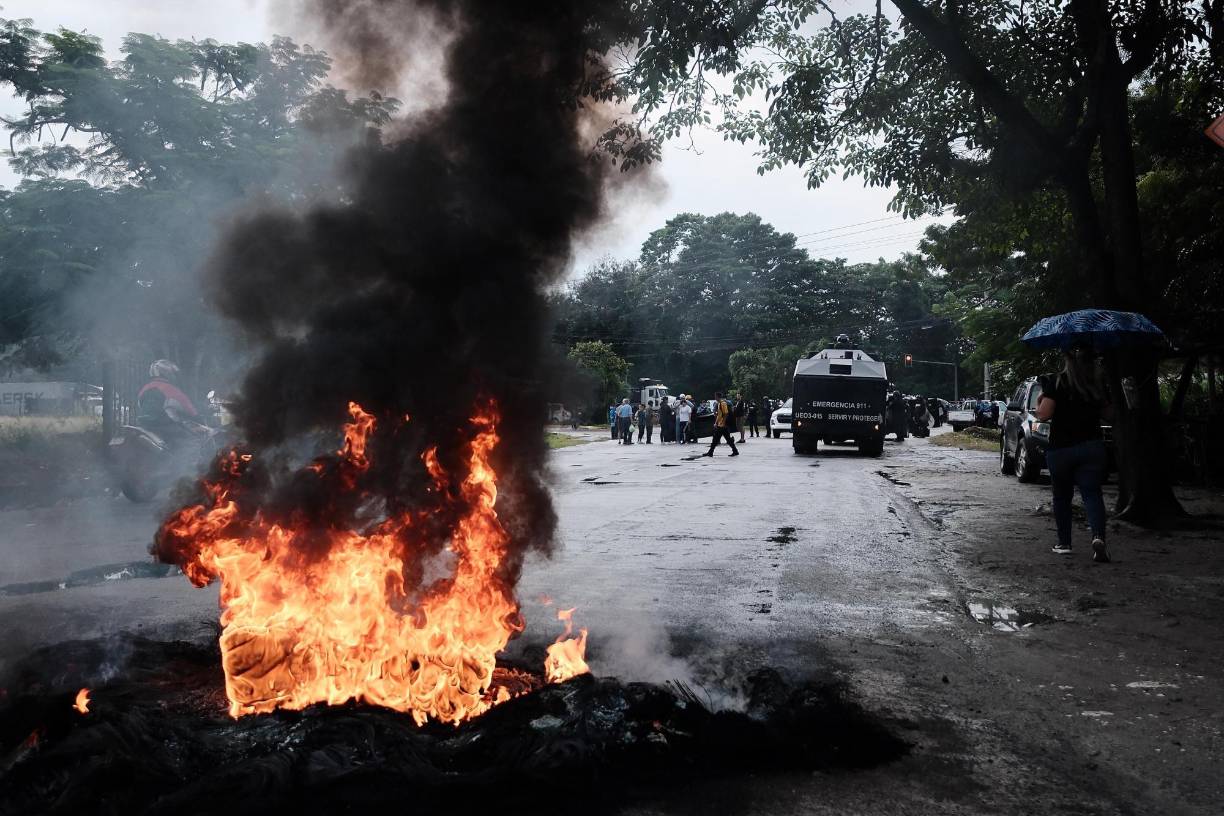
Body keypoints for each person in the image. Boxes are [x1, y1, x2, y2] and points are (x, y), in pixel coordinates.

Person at [1035, 347, 1111, 562]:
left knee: (1061, 497)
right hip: (1091, 447)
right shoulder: (1096, 385)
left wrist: (1040, 398)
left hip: (1061, 449)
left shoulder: (1058, 383)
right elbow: (1109, 415)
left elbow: (1043, 415)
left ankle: (1064, 543)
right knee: (1092, 494)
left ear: (1068, 361)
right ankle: (1098, 537)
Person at [137, 359, 208, 441]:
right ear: (167, 373)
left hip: (144, 427)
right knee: (192, 442)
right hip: (165, 427)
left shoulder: (144, 389)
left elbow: (139, 404)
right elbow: (188, 408)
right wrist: (198, 419)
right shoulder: (171, 389)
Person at [702, 392, 739, 457]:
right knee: (726, 439)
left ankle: (710, 452)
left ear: (717, 397)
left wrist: (723, 422)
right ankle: (735, 451)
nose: (715, 398)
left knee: (716, 439)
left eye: (715, 396)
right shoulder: (719, 403)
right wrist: (716, 423)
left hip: (722, 425)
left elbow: (726, 414)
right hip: (721, 424)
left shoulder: (723, 403)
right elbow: (719, 415)